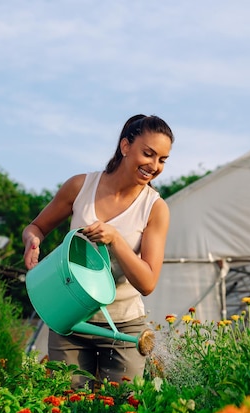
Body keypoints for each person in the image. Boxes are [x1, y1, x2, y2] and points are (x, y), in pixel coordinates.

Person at [22, 114, 174, 388]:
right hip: (70, 319)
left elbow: (148, 282)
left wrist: (116, 239)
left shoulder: (155, 208)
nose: (154, 166)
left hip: (124, 328)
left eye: (162, 159)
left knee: (117, 406)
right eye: (148, 154)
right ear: (126, 146)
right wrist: (32, 242)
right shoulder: (80, 187)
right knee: (66, 404)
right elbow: (36, 227)